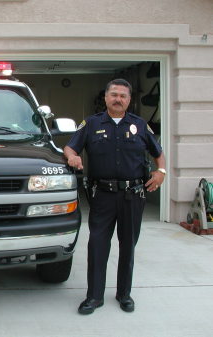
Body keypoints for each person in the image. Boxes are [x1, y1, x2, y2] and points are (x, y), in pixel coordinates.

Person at [63, 79, 166, 315]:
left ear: (129, 100)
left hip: (133, 195)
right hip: (103, 197)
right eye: (114, 94)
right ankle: (94, 297)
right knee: (98, 246)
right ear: (106, 97)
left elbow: (158, 154)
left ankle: (124, 294)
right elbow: (70, 147)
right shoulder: (91, 123)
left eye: (123, 96)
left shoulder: (140, 125)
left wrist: (161, 172)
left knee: (128, 246)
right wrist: (72, 157)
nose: (118, 99)